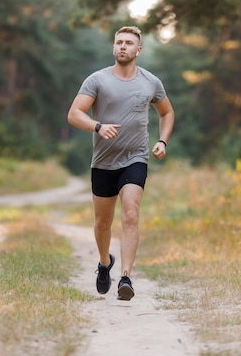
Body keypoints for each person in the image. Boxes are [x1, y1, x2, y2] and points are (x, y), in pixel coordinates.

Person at [67, 26, 175, 301]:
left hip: (135, 158)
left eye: (129, 43)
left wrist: (162, 141)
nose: (123, 46)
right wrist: (97, 126)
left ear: (139, 50)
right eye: (119, 42)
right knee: (103, 222)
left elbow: (167, 112)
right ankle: (105, 263)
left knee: (131, 214)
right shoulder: (97, 80)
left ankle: (125, 277)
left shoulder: (151, 82)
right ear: (113, 48)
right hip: (103, 162)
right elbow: (74, 114)